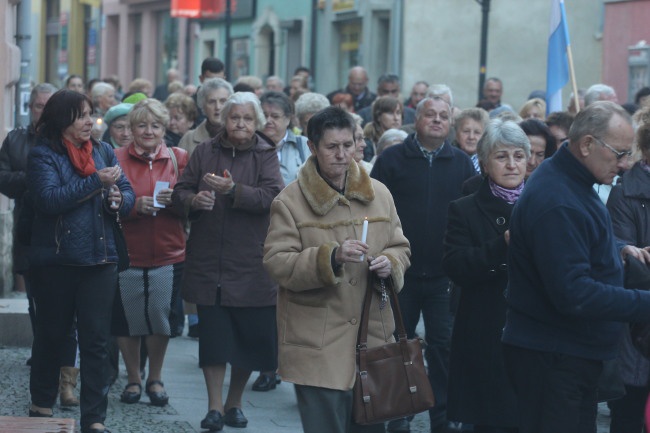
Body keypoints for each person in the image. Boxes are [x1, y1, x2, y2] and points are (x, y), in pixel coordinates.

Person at [502, 101, 650, 433]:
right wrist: (644, 302)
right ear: (586, 145)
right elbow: (574, 294)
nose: (625, 164)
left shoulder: (573, 184)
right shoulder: (558, 198)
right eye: (619, 153)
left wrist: (620, 250)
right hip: (552, 358)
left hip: (570, 356)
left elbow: (580, 242)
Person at [263, 106, 410, 433]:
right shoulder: (289, 201)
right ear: (313, 148)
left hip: (372, 338)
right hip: (317, 340)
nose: (342, 155)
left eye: (348, 145)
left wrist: (391, 263)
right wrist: (330, 258)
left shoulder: (379, 193)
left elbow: (400, 245)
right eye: (332, 147)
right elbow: (277, 262)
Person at [171, 92, 284, 431]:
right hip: (210, 261)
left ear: (257, 123)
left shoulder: (266, 154)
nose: (240, 124)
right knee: (215, 339)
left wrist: (234, 191)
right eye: (235, 117)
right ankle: (214, 407)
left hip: (250, 261)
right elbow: (179, 193)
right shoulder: (205, 151)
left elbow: (273, 196)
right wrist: (195, 200)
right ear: (224, 120)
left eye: (247, 119)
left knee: (247, 341)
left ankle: (235, 402)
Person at [26, 89, 135, 433]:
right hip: (58, 261)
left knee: (96, 340)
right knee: (52, 334)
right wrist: (94, 183)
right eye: (81, 116)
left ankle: (94, 418)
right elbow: (48, 200)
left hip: (100, 260)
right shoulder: (44, 154)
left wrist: (119, 199)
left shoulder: (103, 151)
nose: (90, 122)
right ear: (62, 120)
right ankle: (42, 403)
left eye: (91, 114)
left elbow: (128, 193)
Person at [371, 96, 476, 433]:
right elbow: (372, 210)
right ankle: (399, 414)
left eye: (444, 116)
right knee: (399, 345)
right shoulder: (392, 159)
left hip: (444, 276)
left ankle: (442, 419)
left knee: (444, 350)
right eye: (429, 114)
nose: (436, 121)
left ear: (451, 124)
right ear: (416, 120)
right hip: (400, 272)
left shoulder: (461, 163)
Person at [443, 119, 530, 433]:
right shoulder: (464, 208)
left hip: (535, 331)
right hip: (485, 328)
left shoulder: (545, 204)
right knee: (491, 421)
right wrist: (500, 245)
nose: (511, 164)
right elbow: (455, 265)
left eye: (518, 156)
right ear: (484, 162)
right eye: (501, 156)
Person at [112, 98, 189, 407]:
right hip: (128, 250)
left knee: (161, 318)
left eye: (155, 125)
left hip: (169, 252)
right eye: (141, 125)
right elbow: (107, 203)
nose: (148, 131)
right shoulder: (115, 158)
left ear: (164, 128)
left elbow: (192, 199)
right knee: (127, 320)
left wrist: (178, 200)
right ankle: (133, 377)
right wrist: (133, 207)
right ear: (131, 128)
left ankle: (155, 377)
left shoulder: (178, 157)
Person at [606, 120, 650, 433]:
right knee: (630, 418)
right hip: (637, 328)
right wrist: (633, 252)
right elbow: (630, 263)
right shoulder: (625, 194)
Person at [260, 91, 310, 188]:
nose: (268, 121)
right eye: (264, 116)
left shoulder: (304, 144)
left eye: (275, 116)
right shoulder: (252, 145)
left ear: (288, 119)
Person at [179, 78, 233, 156]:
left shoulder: (239, 136)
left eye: (223, 101)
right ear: (203, 105)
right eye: (212, 101)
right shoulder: (188, 139)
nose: (217, 107)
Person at [454, 108, 490, 174]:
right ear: (456, 134)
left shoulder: (489, 164)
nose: (471, 137)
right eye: (466, 131)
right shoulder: (448, 160)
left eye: (477, 132)